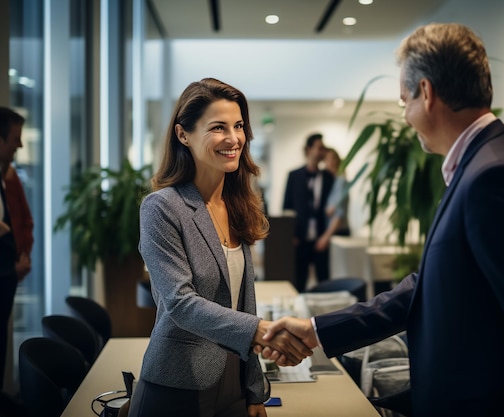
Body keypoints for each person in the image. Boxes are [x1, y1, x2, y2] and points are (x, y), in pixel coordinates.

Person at [260, 23, 504, 416]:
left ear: (426, 92)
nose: (405, 115)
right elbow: (427, 288)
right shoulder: (486, 164)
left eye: (404, 100)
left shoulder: (496, 176)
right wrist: (318, 330)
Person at [128, 78, 311, 417]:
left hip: (234, 383)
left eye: (239, 126)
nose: (233, 138)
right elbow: (180, 304)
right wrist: (260, 331)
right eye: (218, 127)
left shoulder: (238, 204)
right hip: (178, 383)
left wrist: (254, 391)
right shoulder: (162, 207)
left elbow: (244, 302)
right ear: (183, 135)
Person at [0, 107, 31, 396]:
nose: (20, 146)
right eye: (14, 139)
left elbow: (23, 220)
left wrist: (22, 257)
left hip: (8, 274)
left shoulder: (8, 179)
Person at [282, 133, 334, 292]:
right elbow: (287, 206)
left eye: (324, 149)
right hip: (300, 238)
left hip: (321, 237)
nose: (322, 152)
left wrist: (326, 236)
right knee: (299, 279)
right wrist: (291, 234)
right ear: (308, 149)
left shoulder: (328, 177)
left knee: (324, 279)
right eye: (319, 148)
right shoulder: (294, 176)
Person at [315, 148, 350, 253]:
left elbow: (339, 214)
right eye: (326, 159)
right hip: (333, 232)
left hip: (338, 232)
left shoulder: (341, 181)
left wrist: (326, 237)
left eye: (331, 159)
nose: (328, 162)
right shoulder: (332, 182)